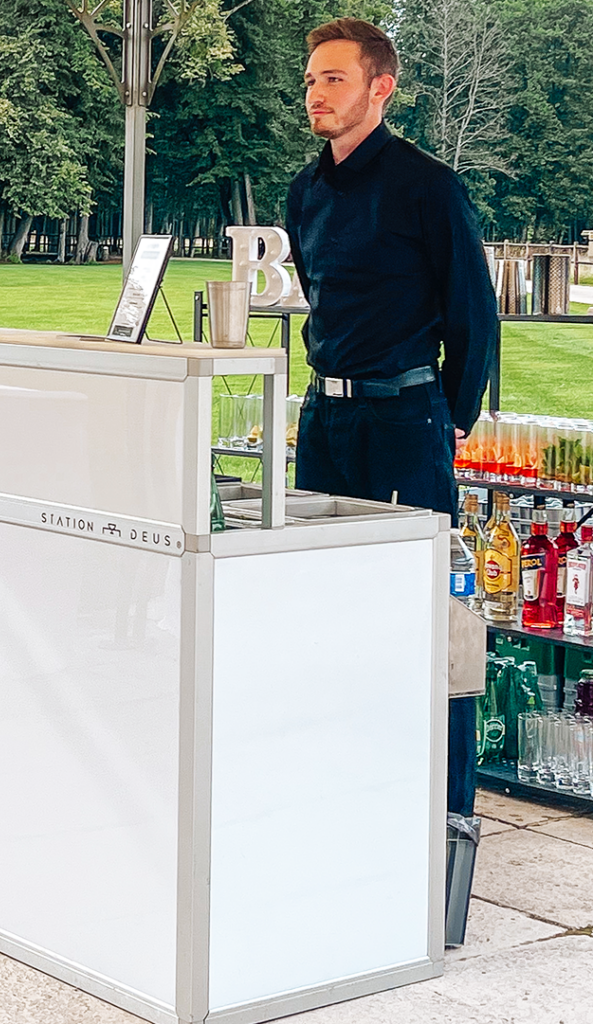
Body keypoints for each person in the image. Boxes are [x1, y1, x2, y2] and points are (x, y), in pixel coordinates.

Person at [285, 17, 498, 820]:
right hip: (324, 424)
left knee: (417, 617)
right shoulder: (304, 191)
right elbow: (320, 292)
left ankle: (439, 808)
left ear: (381, 87)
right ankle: (340, 781)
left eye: (333, 79)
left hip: (406, 419)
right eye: (310, 80)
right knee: (319, 604)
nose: (316, 93)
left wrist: (454, 415)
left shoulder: (427, 185)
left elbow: (473, 312)